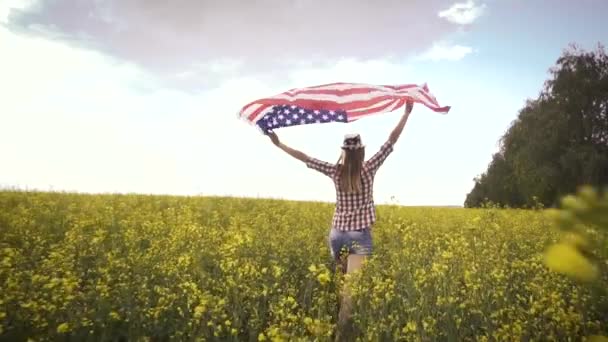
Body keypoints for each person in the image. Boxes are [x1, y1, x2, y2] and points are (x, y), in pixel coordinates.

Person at [266, 100, 414, 337]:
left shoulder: (335, 172)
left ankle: (333, 321)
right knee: (350, 292)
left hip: (336, 235)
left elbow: (305, 158)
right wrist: (406, 114)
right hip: (358, 236)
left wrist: (279, 143)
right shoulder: (369, 168)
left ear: (343, 151)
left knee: (340, 282)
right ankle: (341, 334)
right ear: (362, 151)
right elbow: (391, 140)